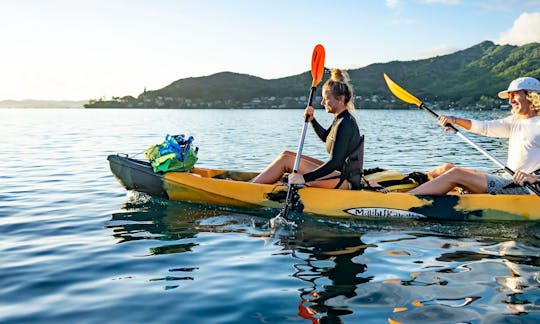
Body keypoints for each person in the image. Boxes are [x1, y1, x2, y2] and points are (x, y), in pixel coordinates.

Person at [409, 76, 540, 195]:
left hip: (528, 188)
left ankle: (404, 200)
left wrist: (534, 178)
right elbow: (484, 127)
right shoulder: (515, 121)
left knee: (456, 174)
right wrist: (454, 120)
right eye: (509, 96)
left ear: (531, 96)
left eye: (515, 95)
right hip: (508, 180)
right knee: (446, 168)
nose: (511, 101)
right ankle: (406, 187)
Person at [250, 68, 364, 189]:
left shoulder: (346, 123)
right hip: (339, 174)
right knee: (286, 154)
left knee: (286, 160)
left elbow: (334, 162)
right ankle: (252, 183)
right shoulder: (340, 118)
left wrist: (304, 178)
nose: (322, 103)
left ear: (340, 99)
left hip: (345, 180)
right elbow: (327, 137)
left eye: (326, 98)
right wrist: (312, 120)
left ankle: (249, 188)